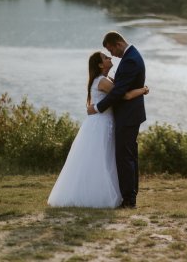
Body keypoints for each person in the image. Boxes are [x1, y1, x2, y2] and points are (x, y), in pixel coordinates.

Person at [48, 51, 149, 208]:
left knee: (101, 159)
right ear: (101, 64)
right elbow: (125, 96)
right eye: (106, 58)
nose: (110, 58)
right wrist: (143, 90)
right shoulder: (102, 81)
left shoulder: (106, 79)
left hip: (102, 121)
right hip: (102, 123)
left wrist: (95, 107)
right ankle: (96, 195)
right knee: (100, 160)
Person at [87, 31, 146, 209]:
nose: (112, 55)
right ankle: (130, 196)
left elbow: (120, 92)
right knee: (129, 156)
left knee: (125, 157)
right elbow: (120, 88)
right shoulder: (132, 56)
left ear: (118, 44)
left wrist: (97, 108)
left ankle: (129, 200)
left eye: (111, 50)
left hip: (127, 116)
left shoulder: (130, 60)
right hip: (129, 116)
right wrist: (142, 90)